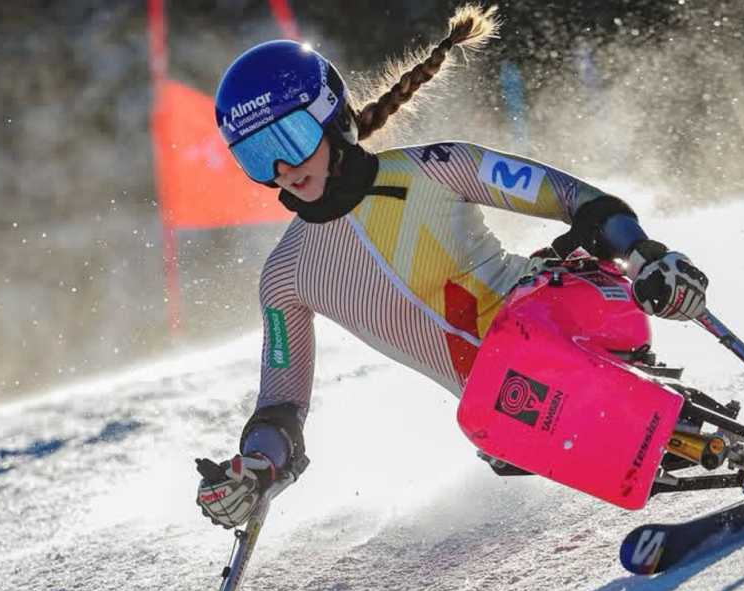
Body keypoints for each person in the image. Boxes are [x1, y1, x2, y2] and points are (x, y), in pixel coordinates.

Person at [196, 5, 709, 529]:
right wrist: (256, 468)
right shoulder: (286, 276)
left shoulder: (438, 167)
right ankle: (702, 451)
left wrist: (645, 254)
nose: (282, 169)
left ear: (333, 117)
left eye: (290, 140)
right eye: (257, 155)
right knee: (489, 424)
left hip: (577, 311)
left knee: (518, 355)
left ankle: (685, 429)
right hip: (510, 410)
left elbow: (578, 201)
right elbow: (281, 402)